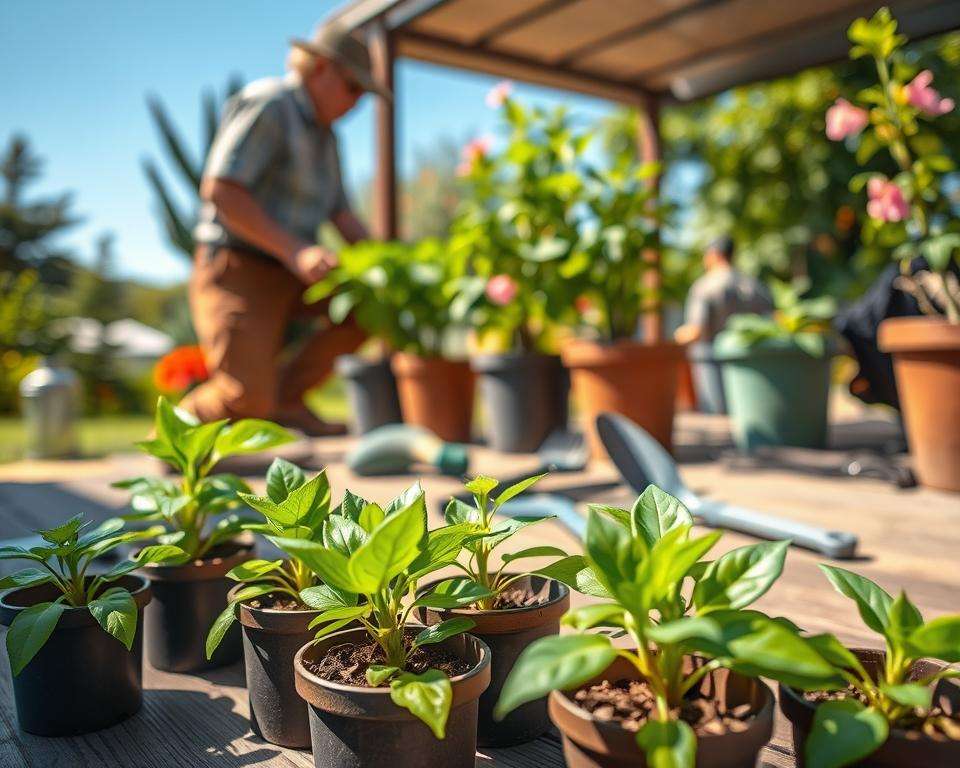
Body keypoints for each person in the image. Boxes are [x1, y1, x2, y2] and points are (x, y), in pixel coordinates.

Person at [179, 23, 390, 434]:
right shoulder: (270, 104)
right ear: (321, 69)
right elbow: (221, 190)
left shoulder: (328, 140)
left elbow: (342, 215)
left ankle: (285, 403)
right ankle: (174, 435)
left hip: (291, 273)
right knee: (243, 398)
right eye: (353, 87)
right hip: (238, 268)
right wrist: (294, 250)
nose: (358, 101)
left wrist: (391, 268)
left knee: (369, 307)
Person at [674, 236, 773, 413]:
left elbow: (695, 330)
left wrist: (673, 341)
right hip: (751, 363)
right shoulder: (754, 285)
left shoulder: (705, 286)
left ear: (714, 255)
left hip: (712, 365)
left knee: (718, 417)